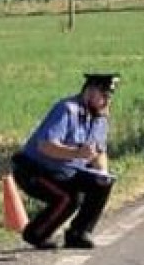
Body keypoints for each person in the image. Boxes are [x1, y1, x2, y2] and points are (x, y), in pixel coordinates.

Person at [13, 73, 118, 250]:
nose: (107, 102)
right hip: (35, 169)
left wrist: (102, 176)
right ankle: (36, 234)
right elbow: (46, 146)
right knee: (68, 198)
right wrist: (77, 153)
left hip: (64, 171)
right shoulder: (67, 110)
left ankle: (78, 234)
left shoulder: (100, 118)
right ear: (90, 92)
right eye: (104, 96)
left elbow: (98, 152)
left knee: (102, 183)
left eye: (109, 97)